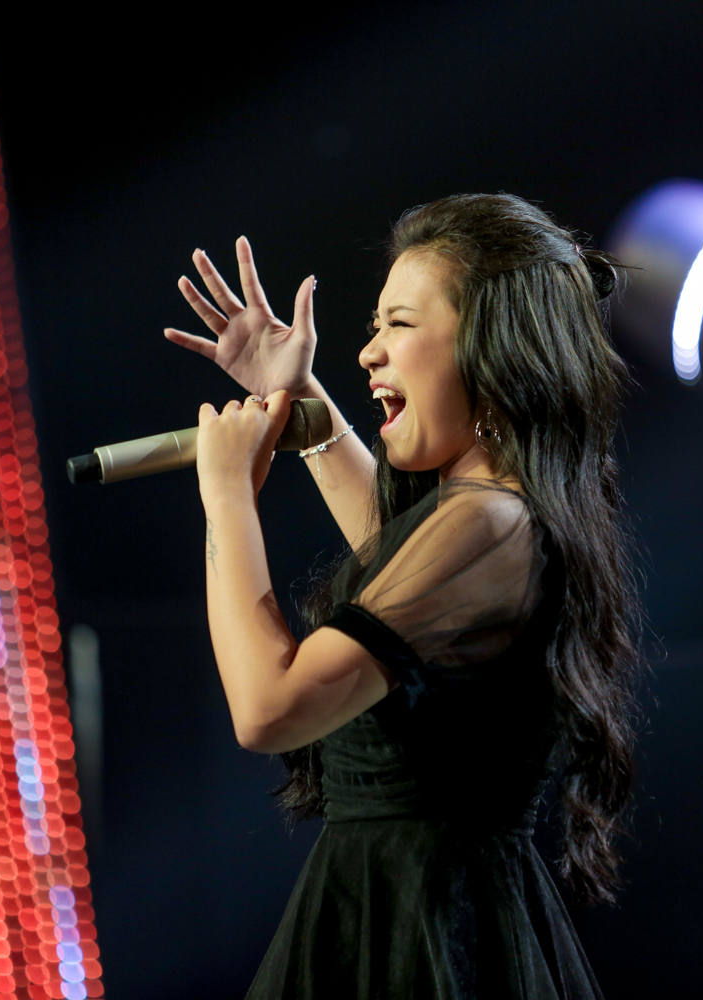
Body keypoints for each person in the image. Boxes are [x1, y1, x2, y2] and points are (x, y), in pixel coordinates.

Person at [163, 193, 643, 999]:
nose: (368, 352)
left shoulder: (488, 522)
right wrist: (301, 401)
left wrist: (227, 499)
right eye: (374, 326)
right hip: (409, 909)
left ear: (492, 345)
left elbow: (268, 708)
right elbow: (396, 572)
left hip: (420, 927)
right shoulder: (485, 519)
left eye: (399, 324)